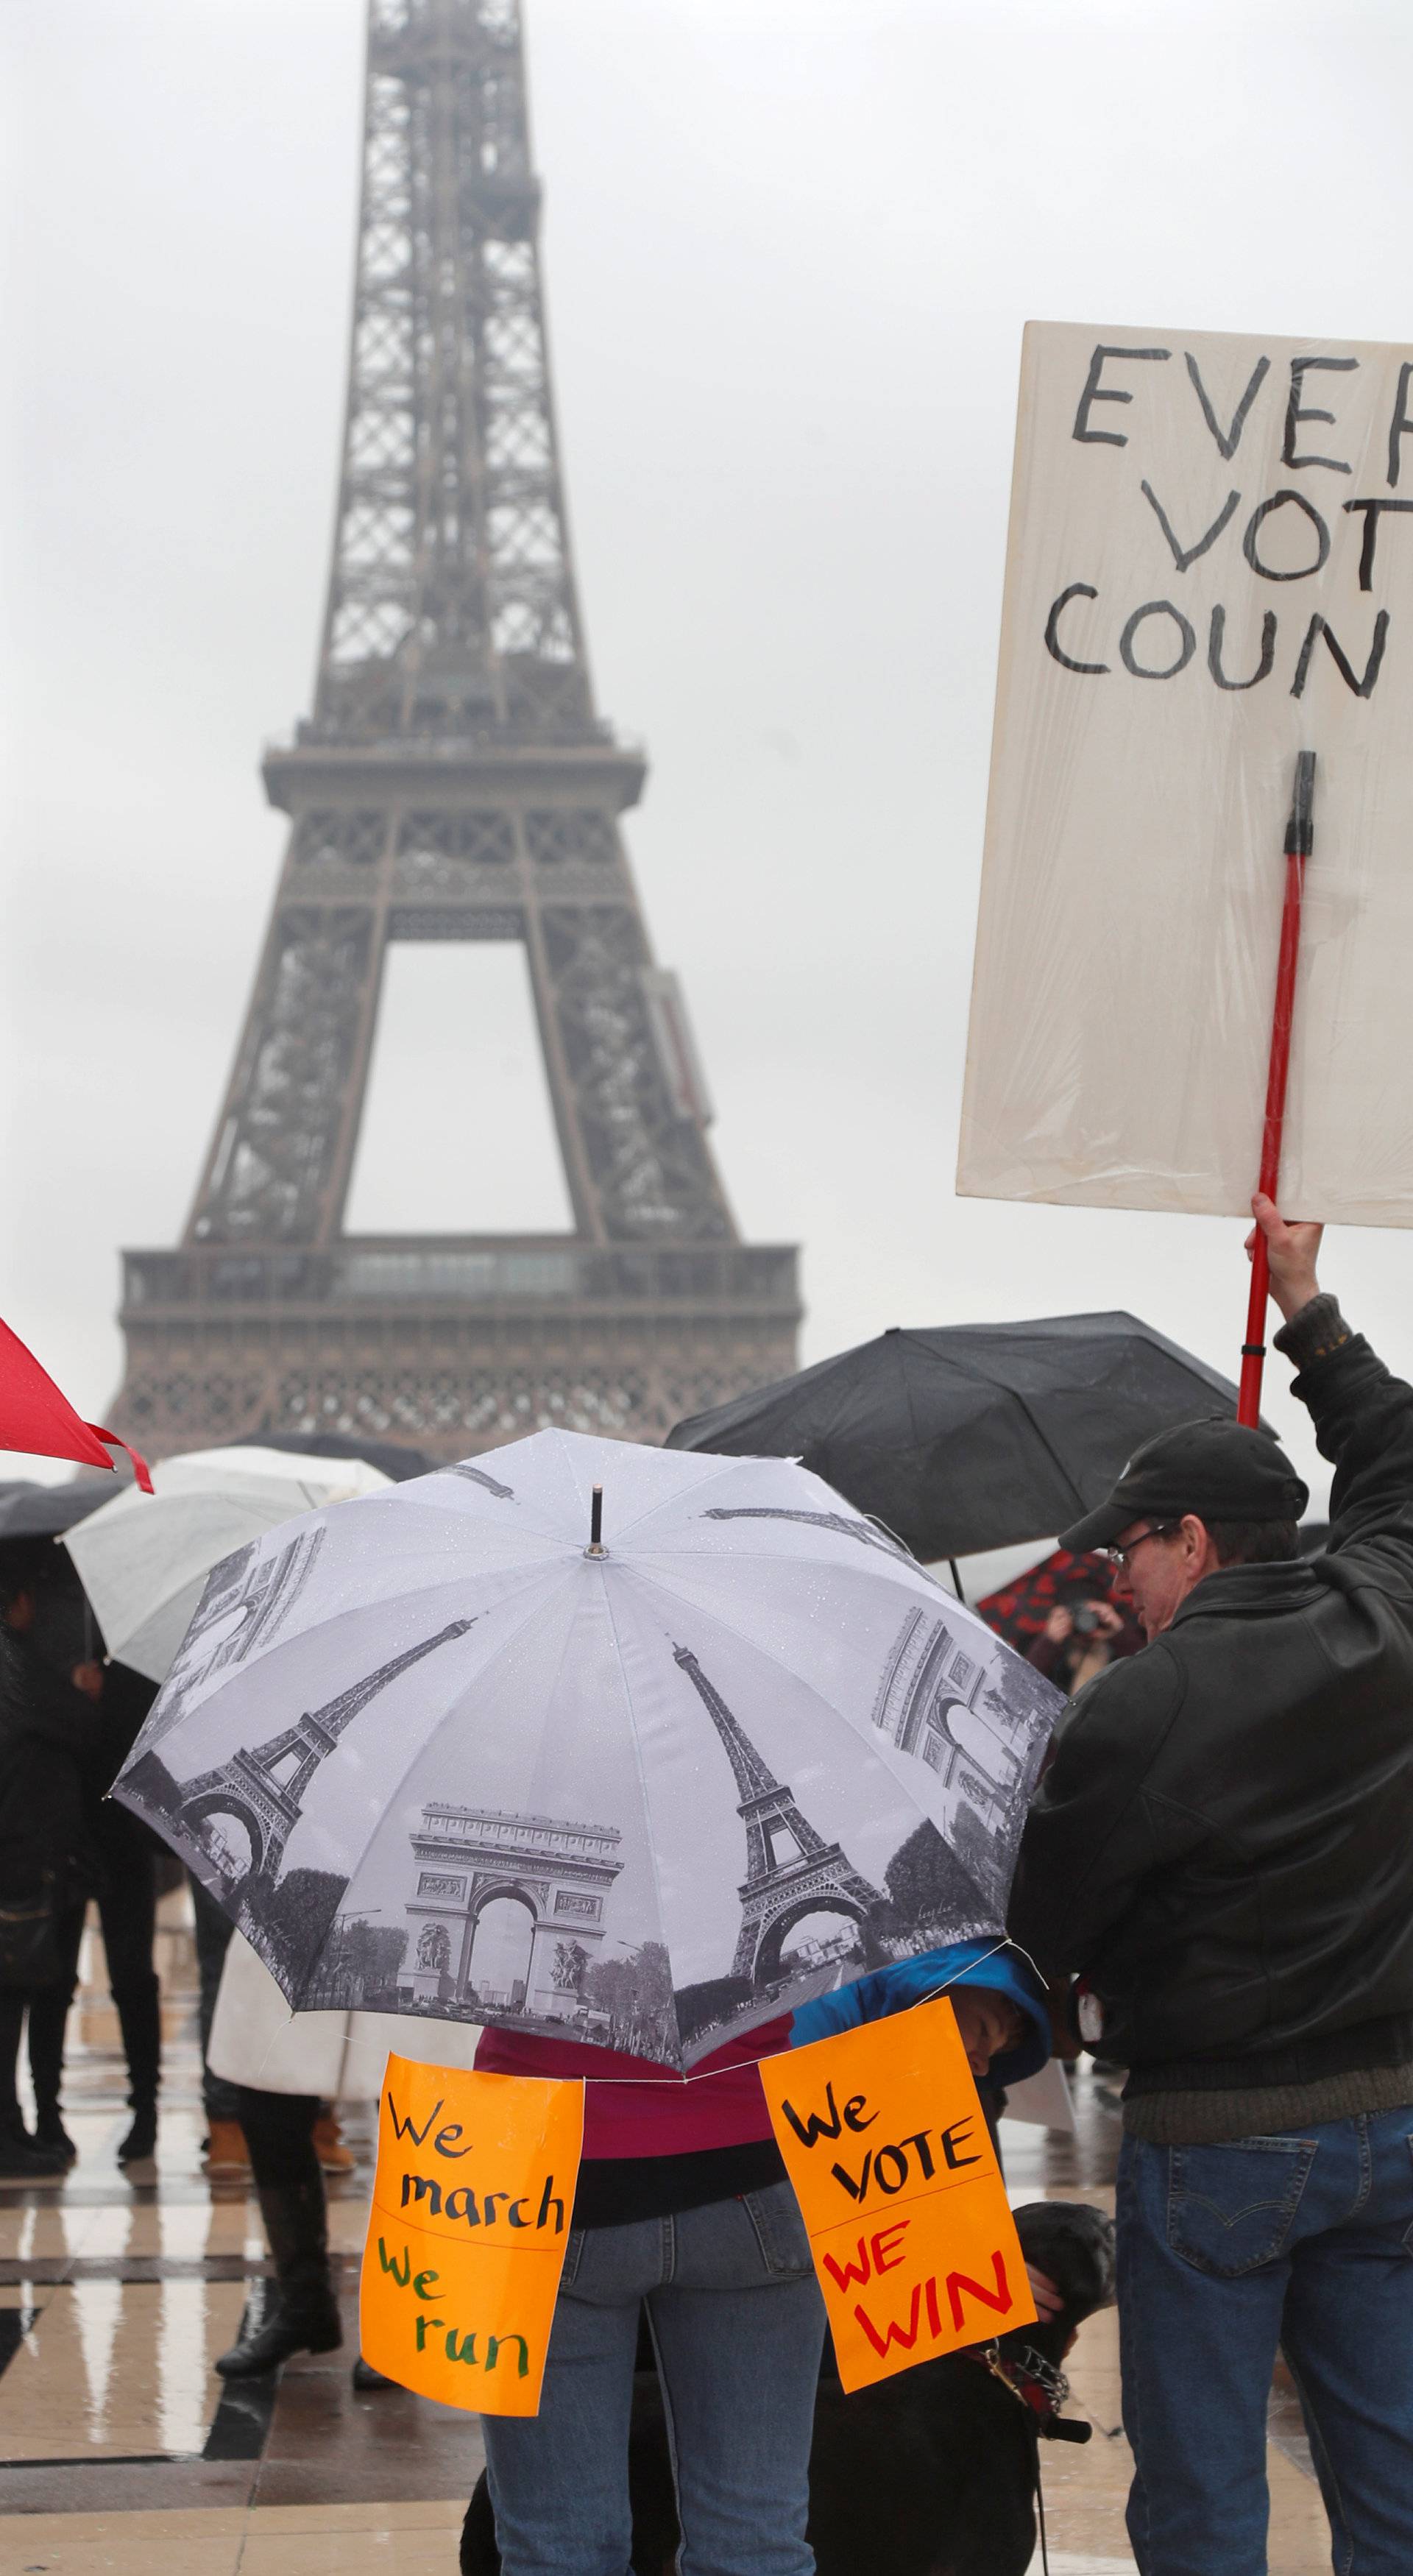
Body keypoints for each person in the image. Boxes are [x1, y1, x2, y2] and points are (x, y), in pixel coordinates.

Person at [1009, 1194, 1413, 2576]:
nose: (1117, 1577)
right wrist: (1307, 1305)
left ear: (1191, 1537)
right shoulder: (1387, 1613)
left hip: (1224, 2127)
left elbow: (1036, 1938)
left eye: (1130, 1545)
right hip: (1394, 2118)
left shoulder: (1143, 1706)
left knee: (1198, 2496)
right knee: (1392, 2481)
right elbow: (1404, 1460)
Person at [473, 1938, 1053, 2576]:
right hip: (748, 2179)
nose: (977, 2064)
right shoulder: (829, 1990)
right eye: (982, 2036)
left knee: (557, 2545)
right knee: (754, 2536)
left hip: (549, 2175)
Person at [0, 1566, 96, 2176]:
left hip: (22, 1849)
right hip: (23, 1854)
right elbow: (69, 1726)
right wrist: (82, 1692)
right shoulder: (16, 1664)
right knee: (13, 1998)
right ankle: (10, 2135)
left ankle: (17, 2127)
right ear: (18, 1601)